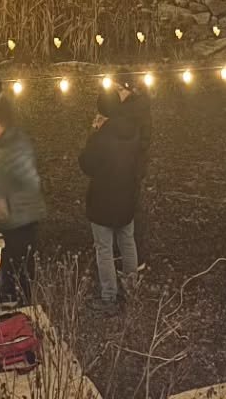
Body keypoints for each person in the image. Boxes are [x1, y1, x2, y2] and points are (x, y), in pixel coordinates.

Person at [78, 97, 142, 311]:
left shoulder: (101, 138)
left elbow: (87, 164)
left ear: (103, 114)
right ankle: (131, 288)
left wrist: (93, 133)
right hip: (126, 196)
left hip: (103, 200)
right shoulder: (133, 129)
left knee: (104, 248)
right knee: (127, 241)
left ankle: (109, 297)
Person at [0, 95, 45, 304]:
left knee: (21, 260)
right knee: (7, 257)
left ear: (4, 124)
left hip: (21, 215)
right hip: (3, 216)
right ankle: (8, 297)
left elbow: (29, 181)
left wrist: (3, 196)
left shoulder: (18, 147)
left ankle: (25, 300)